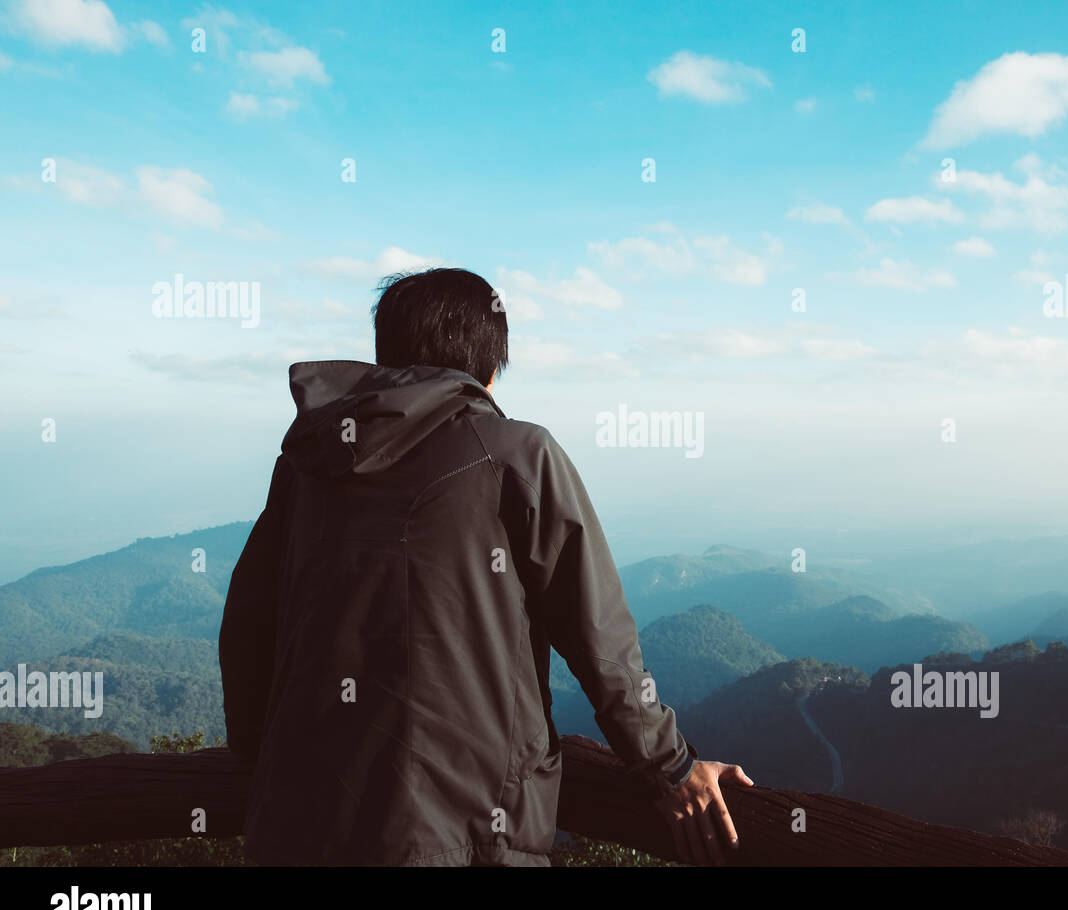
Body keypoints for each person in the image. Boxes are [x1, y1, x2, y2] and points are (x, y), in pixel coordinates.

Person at [218, 266, 753, 867]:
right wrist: (672, 767)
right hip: (466, 837)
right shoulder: (517, 455)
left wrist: (260, 763)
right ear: (490, 366)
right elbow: (598, 639)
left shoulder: (310, 464)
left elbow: (248, 627)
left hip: (295, 829)